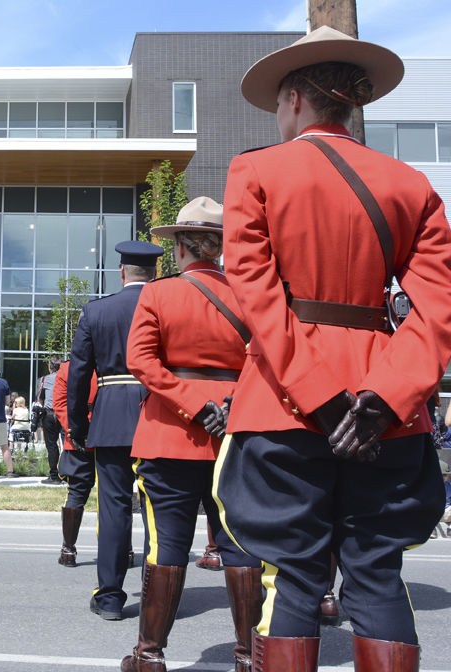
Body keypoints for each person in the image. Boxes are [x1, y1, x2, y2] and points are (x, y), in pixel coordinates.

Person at [216, 27, 451, 670]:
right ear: (351, 105)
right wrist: (387, 399)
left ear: (295, 100)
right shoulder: (412, 185)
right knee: (377, 574)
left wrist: (322, 399)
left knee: (295, 576)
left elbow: (257, 298)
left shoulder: (256, 169)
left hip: (283, 404)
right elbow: (438, 308)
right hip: (387, 408)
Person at [121, 198, 262, 672]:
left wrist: (194, 404)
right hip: (236, 435)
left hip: (170, 435)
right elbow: (270, 364)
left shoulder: (157, 294)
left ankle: (150, 654)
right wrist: (229, 406)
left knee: (167, 546)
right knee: (241, 546)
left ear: (180, 246)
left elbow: (141, 361)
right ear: (220, 248)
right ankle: (249, 657)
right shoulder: (249, 295)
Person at [68, 240, 163, 621]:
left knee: (113, 510)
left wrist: (78, 426)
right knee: (160, 512)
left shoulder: (97, 310)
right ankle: (159, 595)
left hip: (109, 419)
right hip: (157, 415)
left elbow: (78, 375)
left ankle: (109, 596)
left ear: (122, 272)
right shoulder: (164, 305)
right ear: (154, 273)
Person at [53, 360, 97, 567]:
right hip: (107, 433)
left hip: (78, 437)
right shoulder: (113, 362)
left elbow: (60, 403)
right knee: (115, 495)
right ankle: (125, 550)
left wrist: (77, 429)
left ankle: (68, 550)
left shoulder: (67, 368)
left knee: (77, 493)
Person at [36, 356, 63, 484]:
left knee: (51, 445)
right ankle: (67, 473)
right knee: (67, 445)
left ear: (49, 367)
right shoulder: (65, 378)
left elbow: (40, 399)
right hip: (64, 413)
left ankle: (53, 475)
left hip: (50, 414)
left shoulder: (45, 379)